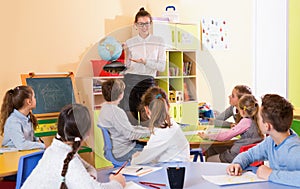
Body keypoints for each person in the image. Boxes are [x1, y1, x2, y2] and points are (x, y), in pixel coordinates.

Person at [22, 104, 126, 189]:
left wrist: (86, 178)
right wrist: (117, 183)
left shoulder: (54, 150)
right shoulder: (69, 161)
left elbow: (89, 168)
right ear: (87, 134)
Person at [226, 94, 300, 187]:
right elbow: (249, 155)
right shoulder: (271, 141)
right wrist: (237, 163)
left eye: (259, 117)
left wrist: (270, 174)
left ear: (267, 126)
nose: (256, 119)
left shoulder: (294, 150)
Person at [120, 7, 166, 125]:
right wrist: (119, 68)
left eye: (147, 24)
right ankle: (134, 144)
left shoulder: (159, 41)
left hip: (148, 82)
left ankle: (149, 143)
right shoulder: (129, 42)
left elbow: (162, 67)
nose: (144, 27)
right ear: (135, 25)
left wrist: (145, 62)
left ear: (151, 24)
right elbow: (127, 65)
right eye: (141, 24)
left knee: (148, 120)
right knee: (131, 120)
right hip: (131, 81)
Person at [131, 86, 190, 165]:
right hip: (174, 167)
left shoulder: (162, 132)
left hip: (171, 170)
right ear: (168, 106)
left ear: (146, 109)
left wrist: (135, 158)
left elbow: (138, 161)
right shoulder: (169, 124)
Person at [199, 94, 263, 163]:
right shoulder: (257, 121)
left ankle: (217, 169)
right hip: (248, 154)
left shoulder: (246, 121)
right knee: (213, 147)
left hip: (238, 155)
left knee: (209, 159)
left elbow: (225, 136)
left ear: (242, 111)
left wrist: (207, 136)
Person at [98, 79, 150, 162]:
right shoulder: (116, 112)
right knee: (154, 147)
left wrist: (145, 129)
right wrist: (151, 132)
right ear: (121, 95)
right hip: (123, 152)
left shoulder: (104, 108)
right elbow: (130, 134)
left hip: (114, 150)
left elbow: (127, 128)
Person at [0, 85, 45, 150]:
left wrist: (37, 140)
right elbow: (22, 145)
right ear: (29, 102)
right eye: (34, 97)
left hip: (24, 153)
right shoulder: (13, 121)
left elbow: (29, 138)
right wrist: (42, 145)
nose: (35, 99)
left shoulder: (28, 117)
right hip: (12, 156)